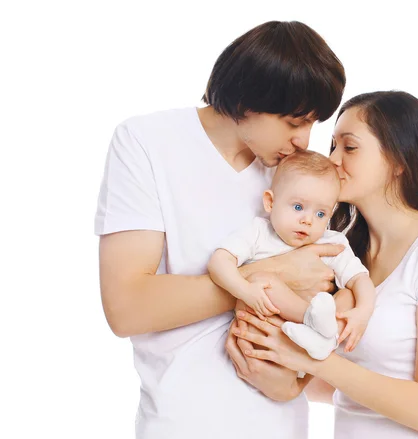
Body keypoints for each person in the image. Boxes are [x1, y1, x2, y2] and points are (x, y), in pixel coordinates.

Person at [95, 21, 345, 439]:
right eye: (293, 121)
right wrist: (275, 274)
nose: (305, 140)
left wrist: (296, 385)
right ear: (249, 99)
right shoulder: (147, 143)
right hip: (181, 425)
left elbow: (326, 312)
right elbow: (127, 307)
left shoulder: (296, 178)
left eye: (313, 124)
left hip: (284, 427)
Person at [229, 91, 418, 438]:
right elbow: (330, 385)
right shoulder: (339, 254)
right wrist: (276, 368)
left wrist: (312, 360)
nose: (332, 160)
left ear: (398, 161)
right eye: (332, 146)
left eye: (350, 147)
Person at [208, 150, 376, 360]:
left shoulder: (331, 242)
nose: (308, 220)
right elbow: (219, 261)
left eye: (320, 214)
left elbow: (361, 279)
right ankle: (314, 324)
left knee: (349, 295)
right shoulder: (259, 232)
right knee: (262, 281)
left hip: (306, 352)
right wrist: (246, 290)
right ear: (270, 202)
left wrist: (363, 312)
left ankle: (324, 340)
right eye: (298, 207)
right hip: (267, 334)